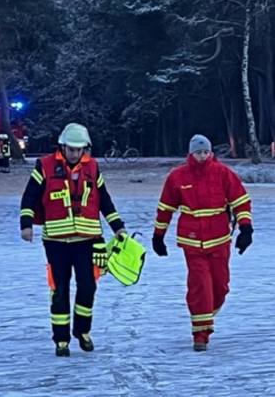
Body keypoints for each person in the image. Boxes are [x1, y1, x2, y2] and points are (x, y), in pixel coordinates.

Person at [19, 123, 126, 357]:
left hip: (88, 239)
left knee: (88, 287)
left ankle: (83, 332)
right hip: (56, 241)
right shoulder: (45, 166)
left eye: (80, 149)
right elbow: (29, 197)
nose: (75, 153)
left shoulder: (93, 168)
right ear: (63, 146)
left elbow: (104, 200)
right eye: (71, 149)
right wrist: (26, 225)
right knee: (59, 289)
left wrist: (118, 227)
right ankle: (61, 339)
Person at [152, 134, 253, 352]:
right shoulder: (177, 177)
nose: (202, 156)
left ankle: (206, 316)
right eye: (198, 152)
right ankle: (200, 334)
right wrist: (158, 235)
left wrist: (246, 228)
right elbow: (166, 208)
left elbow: (240, 201)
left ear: (211, 153)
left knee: (220, 286)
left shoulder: (223, 173)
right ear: (191, 153)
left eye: (206, 152)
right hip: (192, 240)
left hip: (219, 239)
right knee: (200, 286)